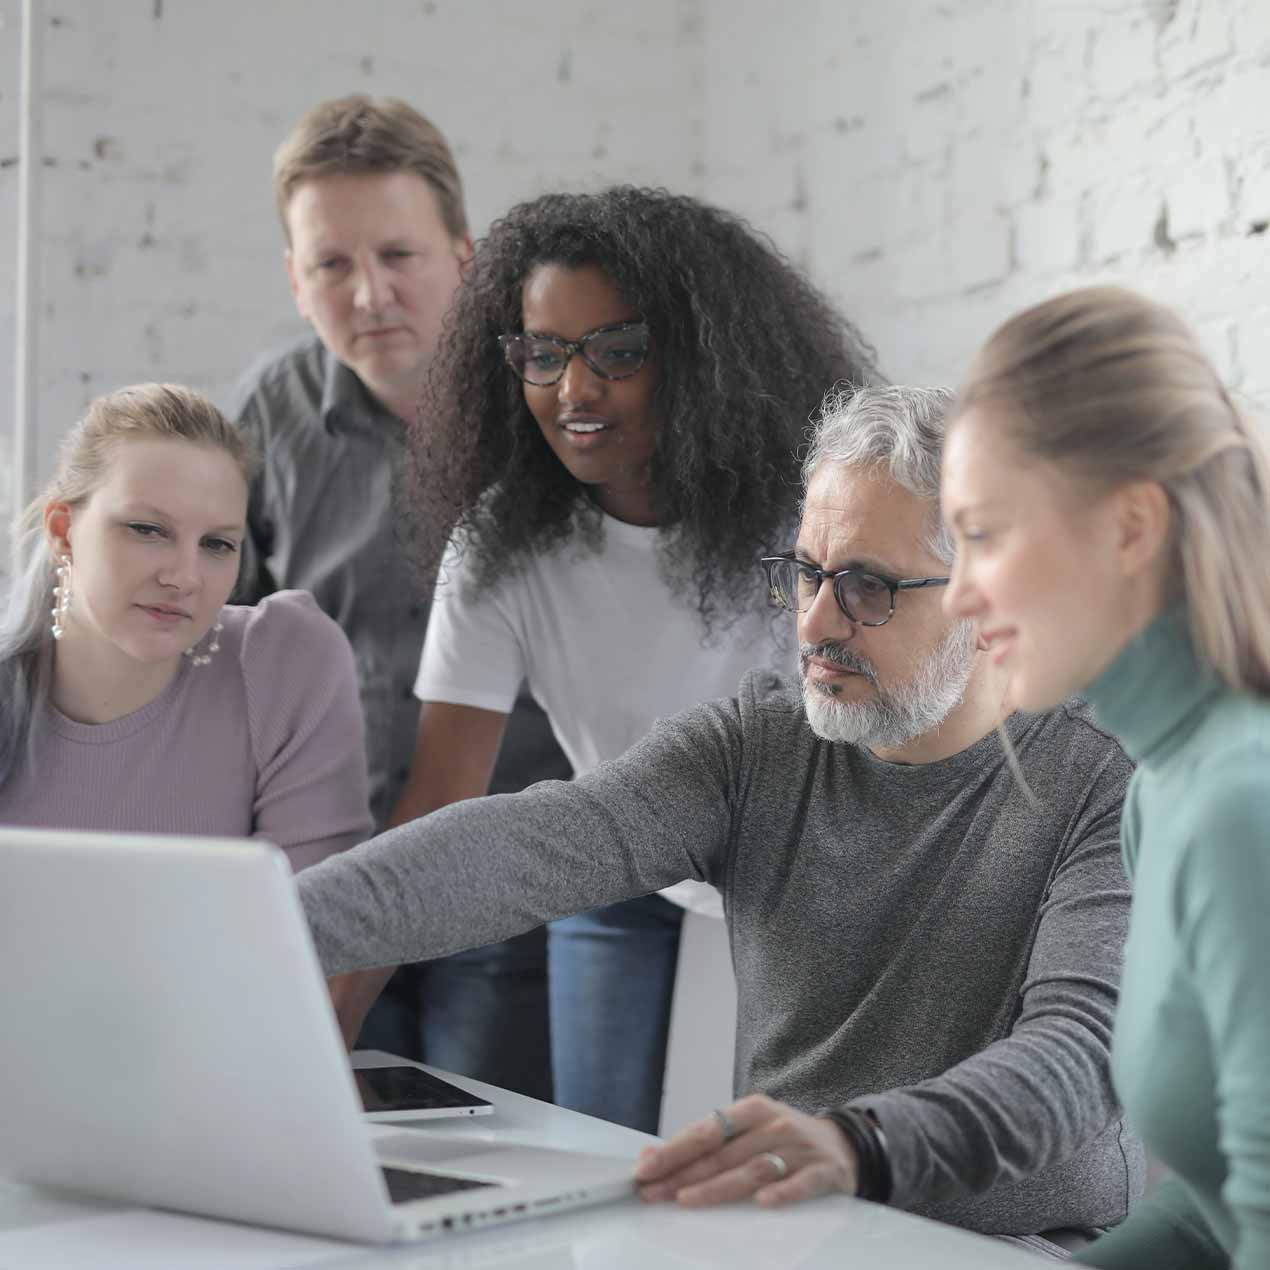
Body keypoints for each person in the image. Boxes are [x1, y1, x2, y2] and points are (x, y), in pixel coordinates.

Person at [303, 385, 1143, 1247]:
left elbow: (1081, 1056)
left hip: (1017, 1247)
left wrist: (862, 1147)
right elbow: (527, 846)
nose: (816, 622)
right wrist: (267, 925)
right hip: (799, 1230)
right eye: (809, 573)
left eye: (866, 587)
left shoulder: (1105, 785)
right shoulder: (757, 746)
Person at [392, 185, 877, 1133]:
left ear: (700, 360)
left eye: (617, 352)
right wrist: (323, 1013)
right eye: (543, 353)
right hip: (617, 882)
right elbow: (438, 804)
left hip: (795, 893)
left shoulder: (807, 517)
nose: (574, 389)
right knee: (609, 1169)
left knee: (780, 1186)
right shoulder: (500, 549)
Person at [225, 96, 571, 1096]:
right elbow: (217, 649)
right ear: (295, 281)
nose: (368, 294)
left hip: (507, 887)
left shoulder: (550, 409)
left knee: (502, 1187)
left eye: (398, 255)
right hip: (321, 883)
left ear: (464, 258)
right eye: (330, 264)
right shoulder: (265, 417)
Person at [940, 285, 1270, 1270]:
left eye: (984, 532)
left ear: (1131, 527)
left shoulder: (1237, 807)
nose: (957, 593)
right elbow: (1222, 1210)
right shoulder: (1162, 794)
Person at [0, 383, 370, 867]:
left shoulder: (286, 665)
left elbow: (316, 928)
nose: (184, 578)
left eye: (216, 544)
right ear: (62, 532)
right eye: (147, 530)